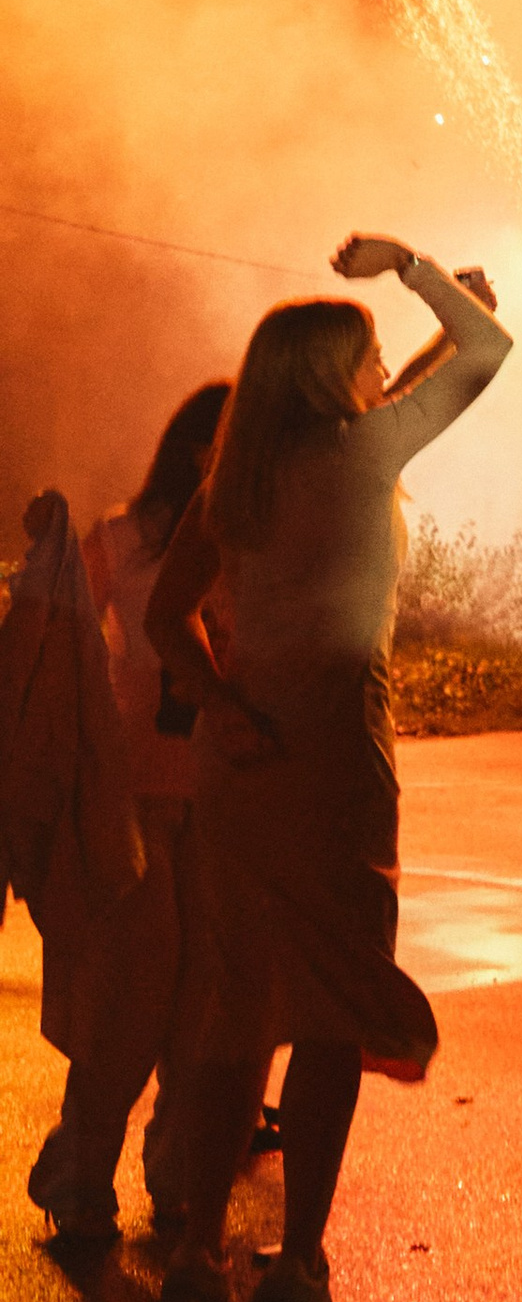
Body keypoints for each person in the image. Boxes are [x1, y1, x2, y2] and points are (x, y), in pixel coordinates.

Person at [146, 237, 512, 1302]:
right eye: (360, 364)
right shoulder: (365, 455)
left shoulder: (239, 481)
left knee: (235, 1008)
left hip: (243, 767)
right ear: (331, 381)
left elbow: (167, 622)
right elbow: (489, 353)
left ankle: (197, 1254)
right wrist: (414, 270)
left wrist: (221, 703)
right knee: (331, 1012)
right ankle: (299, 1262)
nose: (373, 378)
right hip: (334, 762)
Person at [24, 382, 231, 1242]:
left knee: (204, 993)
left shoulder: (250, 541)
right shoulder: (122, 537)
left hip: (223, 791)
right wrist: (45, 549)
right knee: (140, 991)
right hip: (135, 786)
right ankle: (79, 1167)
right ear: (195, 450)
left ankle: (175, 1170)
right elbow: (58, 631)